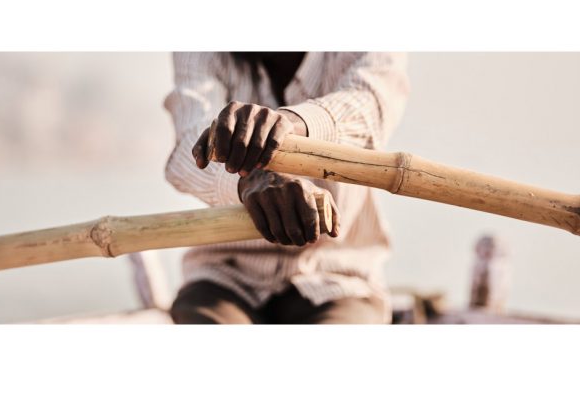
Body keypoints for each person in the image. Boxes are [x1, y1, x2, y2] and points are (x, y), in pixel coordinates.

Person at [164, 52, 409, 323]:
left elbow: (369, 105)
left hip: (339, 276)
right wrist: (249, 179)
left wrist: (289, 125)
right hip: (223, 277)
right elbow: (190, 143)